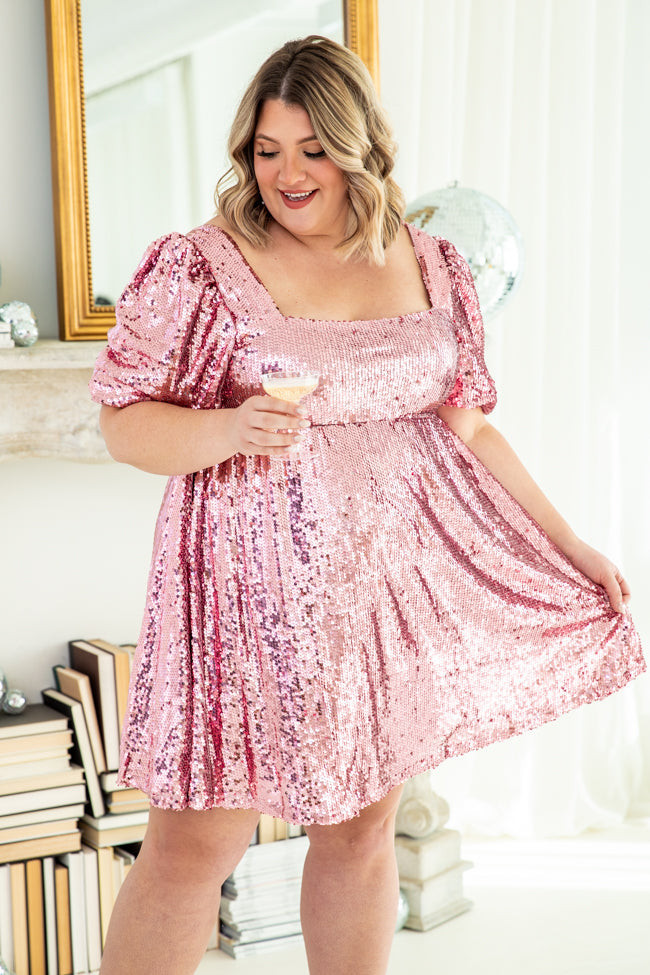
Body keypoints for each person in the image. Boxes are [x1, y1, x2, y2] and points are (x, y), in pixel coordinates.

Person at [89, 35, 645, 975]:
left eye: (313, 150)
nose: (287, 175)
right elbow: (122, 421)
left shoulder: (434, 263)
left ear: (360, 148)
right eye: (267, 150)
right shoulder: (201, 265)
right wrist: (227, 428)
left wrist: (572, 545)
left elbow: (468, 427)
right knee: (193, 845)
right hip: (242, 598)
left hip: (377, 600)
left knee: (359, 830)